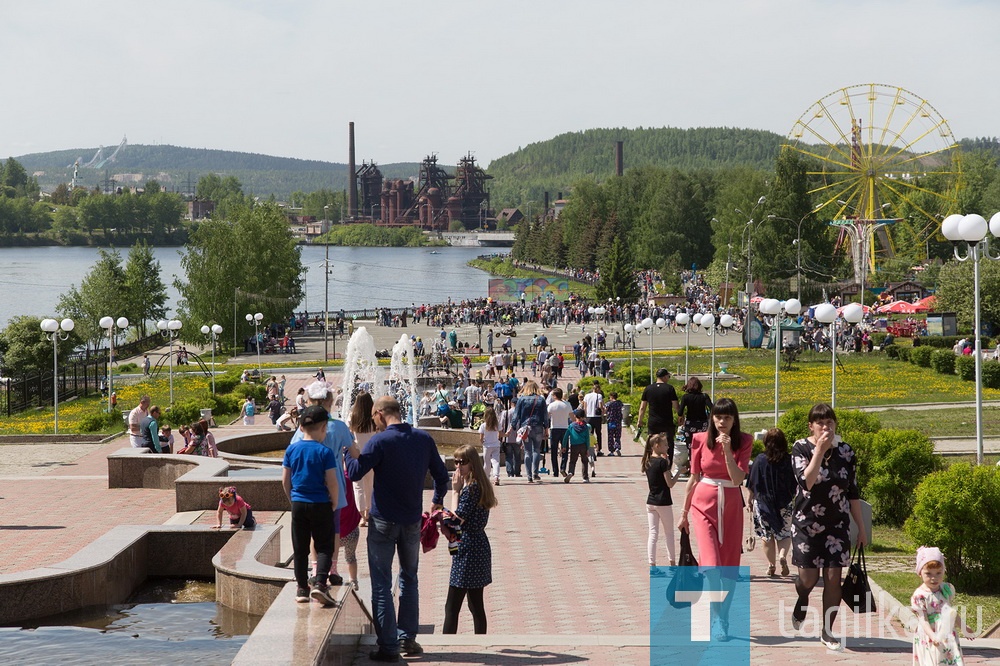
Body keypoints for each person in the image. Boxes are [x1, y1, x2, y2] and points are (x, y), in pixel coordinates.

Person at [346, 396, 450, 662]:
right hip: (412, 520)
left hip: (382, 522)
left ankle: (389, 647)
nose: (373, 423)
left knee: (381, 584)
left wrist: (348, 451)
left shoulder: (380, 441)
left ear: (380, 414)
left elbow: (356, 472)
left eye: (373, 418)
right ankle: (407, 639)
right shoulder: (423, 438)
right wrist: (437, 500)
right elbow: (441, 474)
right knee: (409, 579)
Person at [789, 403, 867, 651]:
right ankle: (802, 598)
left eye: (830, 422)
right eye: (820, 422)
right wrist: (819, 452)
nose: (826, 426)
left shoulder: (845, 451)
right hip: (807, 523)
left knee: (834, 579)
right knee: (808, 580)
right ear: (811, 426)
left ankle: (827, 631)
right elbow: (807, 482)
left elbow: (852, 492)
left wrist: (861, 528)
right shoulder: (800, 448)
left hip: (837, 525)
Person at [678, 398, 752, 641]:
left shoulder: (744, 441)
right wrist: (683, 513)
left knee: (729, 566)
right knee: (711, 565)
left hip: (731, 505)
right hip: (703, 504)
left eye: (728, 418)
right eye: (718, 417)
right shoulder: (699, 439)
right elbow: (693, 478)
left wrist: (727, 452)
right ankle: (715, 615)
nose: (722, 422)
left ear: (734, 420)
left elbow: (739, 478)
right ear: (712, 418)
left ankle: (723, 616)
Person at [281, 405, 341, 607]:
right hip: (321, 503)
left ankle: (301, 589)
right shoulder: (324, 452)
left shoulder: (292, 449)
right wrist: (334, 501)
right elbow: (332, 481)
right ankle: (320, 584)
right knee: (324, 546)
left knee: (300, 548)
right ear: (323, 427)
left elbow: (285, 480)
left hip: (298, 503)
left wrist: (293, 499)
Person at [442, 444, 498, 634]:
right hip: (477, 546)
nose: (458, 466)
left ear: (472, 463)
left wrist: (455, 491)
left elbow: (455, 520)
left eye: (463, 462)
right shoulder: (479, 484)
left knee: (452, 607)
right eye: (456, 461)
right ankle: (480, 640)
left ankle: (447, 646)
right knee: (475, 605)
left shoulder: (471, 489)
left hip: (469, 550)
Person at [911, 546, 975, 664]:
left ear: (944, 571)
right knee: (932, 661)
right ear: (920, 573)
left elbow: (950, 612)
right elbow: (923, 619)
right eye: (928, 574)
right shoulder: (920, 596)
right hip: (929, 635)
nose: (934, 578)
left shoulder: (946, 589)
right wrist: (932, 636)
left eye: (938, 573)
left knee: (949, 660)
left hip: (947, 633)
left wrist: (963, 627)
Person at [747, 428, 796, 578]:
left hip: (763, 504)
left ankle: (771, 565)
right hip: (784, 503)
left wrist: (749, 499)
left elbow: (753, 482)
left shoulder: (760, 460)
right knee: (785, 534)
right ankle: (782, 555)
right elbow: (795, 482)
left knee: (767, 536)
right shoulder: (789, 460)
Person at [643, 433, 680, 575]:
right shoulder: (662, 463)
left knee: (653, 533)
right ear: (657, 446)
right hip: (663, 502)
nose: (668, 446)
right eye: (665, 445)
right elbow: (670, 483)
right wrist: (678, 472)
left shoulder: (647, 461)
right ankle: (672, 563)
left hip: (650, 501)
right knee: (669, 533)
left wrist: (668, 462)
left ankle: (652, 565)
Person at [636, 369, 680, 466]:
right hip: (666, 422)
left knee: (651, 443)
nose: (668, 378)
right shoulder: (669, 388)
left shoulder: (648, 388)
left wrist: (640, 420)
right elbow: (676, 406)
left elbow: (642, 407)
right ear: (664, 377)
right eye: (668, 376)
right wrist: (681, 416)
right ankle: (667, 466)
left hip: (653, 422)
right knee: (668, 445)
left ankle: (651, 464)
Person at [348, 391, 377, 528]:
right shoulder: (374, 418)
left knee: (358, 487)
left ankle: (362, 517)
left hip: (357, 456)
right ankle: (369, 513)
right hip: (372, 456)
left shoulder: (352, 417)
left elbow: (349, 436)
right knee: (370, 485)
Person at [512, 380, 549, 483]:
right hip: (538, 427)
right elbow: (545, 416)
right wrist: (546, 428)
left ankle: (529, 476)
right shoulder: (541, 400)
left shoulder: (521, 399)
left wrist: (513, 426)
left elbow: (516, 415)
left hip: (526, 428)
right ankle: (535, 473)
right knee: (536, 450)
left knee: (527, 451)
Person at [546, 388, 573, 477]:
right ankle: (563, 467)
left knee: (554, 450)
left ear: (554, 396)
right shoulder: (567, 404)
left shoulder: (551, 405)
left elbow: (547, 417)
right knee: (565, 449)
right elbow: (572, 417)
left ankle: (555, 471)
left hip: (554, 429)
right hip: (565, 428)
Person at [561, 408, 592, 483]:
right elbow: (587, 438)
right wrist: (588, 448)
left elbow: (566, 436)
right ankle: (585, 477)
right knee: (584, 461)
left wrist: (564, 446)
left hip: (574, 445)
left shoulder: (571, 426)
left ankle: (571, 472)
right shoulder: (586, 427)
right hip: (583, 446)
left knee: (572, 461)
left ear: (575, 416)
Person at [478, 407, 502, 486]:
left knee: (487, 463)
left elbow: (481, 437)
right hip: (496, 445)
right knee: (496, 462)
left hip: (487, 446)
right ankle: (496, 477)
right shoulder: (497, 424)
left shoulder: (483, 425)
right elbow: (500, 434)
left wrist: (482, 442)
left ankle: (486, 478)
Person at [497, 402, 520, 479]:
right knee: (517, 456)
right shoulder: (520, 413)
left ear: (511, 404)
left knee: (508, 456)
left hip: (507, 438)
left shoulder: (505, 413)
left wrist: (500, 436)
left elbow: (501, 425)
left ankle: (510, 473)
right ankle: (517, 472)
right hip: (518, 438)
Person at [582, 382, 604, 455]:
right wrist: (603, 413)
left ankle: (589, 449)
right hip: (597, 417)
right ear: (597, 389)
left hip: (588, 416)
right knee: (598, 433)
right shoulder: (599, 395)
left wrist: (584, 416)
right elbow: (600, 406)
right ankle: (598, 450)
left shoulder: (587, 396)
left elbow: (584, 407)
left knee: (589, 433)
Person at [604, 391, 624, 456]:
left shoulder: (609, 404)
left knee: (610, 437)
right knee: (617, 436)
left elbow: (605, 410)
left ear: (611, 397)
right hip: (618, 422)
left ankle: (611, 451)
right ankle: (617, 447)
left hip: (611, 421)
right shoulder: (620, 403)